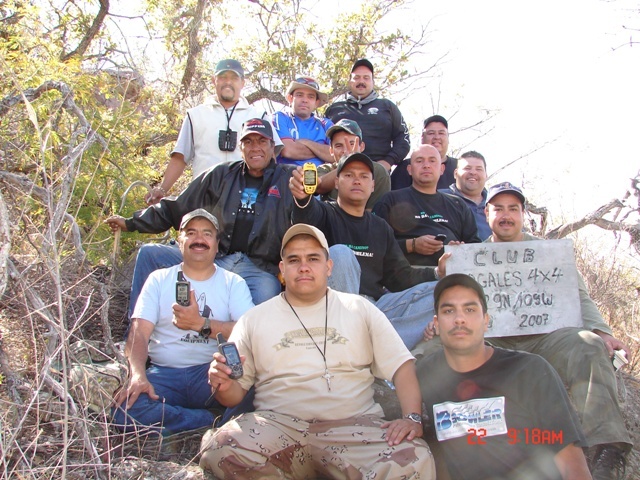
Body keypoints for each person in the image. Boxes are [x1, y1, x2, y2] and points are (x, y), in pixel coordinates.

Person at [421, 182, 632, 480]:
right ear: (487, 213)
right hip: (491, 342)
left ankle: (607, 447)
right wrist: (442, 274)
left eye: (513, 209)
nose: (506, 215)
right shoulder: (472, 256)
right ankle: (425, 434)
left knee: (587, 344)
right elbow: (454, 302)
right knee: (430, 352)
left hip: (547, 338)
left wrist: (602, 331)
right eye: (499, 209)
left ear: (523, 214)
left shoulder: (549, 252)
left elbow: (578, 295)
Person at [199, 224, 436, 479]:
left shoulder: (359, 309)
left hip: (354, 427)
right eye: (294, 260)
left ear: (329, 267)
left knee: (415, 459)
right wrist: (222, 384)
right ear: (281, 270)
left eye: (313, 258)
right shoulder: (253, 320)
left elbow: (402, 366)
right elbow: (234, 395)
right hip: (278, 428)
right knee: (221, 449)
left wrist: (411, 417)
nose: (303, 267)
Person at [105, 118, 294, 321]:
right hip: (214, 256)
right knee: (150, 254)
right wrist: (132, 222)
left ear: (273, 147)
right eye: (248, 142)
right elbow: (177, 207)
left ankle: (241, 350)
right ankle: (136, 334)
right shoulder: (221, 174)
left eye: (262, 141)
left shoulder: (289, 177)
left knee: (264, 302)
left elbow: (320, 184)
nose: (255, 147)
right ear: (240, 147)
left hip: (259, 267)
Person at [417, 274, 591, 480]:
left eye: (470, 309)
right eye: (448, 310)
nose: (459, 318)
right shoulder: (426, 373)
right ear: (436, 324)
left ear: (486, 321)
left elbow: (571, 461)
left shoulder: (530, 371)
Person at [111, 209, 254, 435]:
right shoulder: (158, 279)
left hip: (210, 374)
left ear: (217, 245)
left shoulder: (233, 283)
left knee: (256, 390)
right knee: (124, 411)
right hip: (165, 375)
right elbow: (139, 333)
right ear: (180, 242)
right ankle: (208, 420)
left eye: (207, 234)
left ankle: (175, 420)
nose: (199, 239)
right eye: (191, 233)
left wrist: (200, 324)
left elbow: (248, 332)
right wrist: (137, 375)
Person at [290, 152, 443, 350]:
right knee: (340, 254)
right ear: (336, 182)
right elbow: (305, 217)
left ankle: (367, 346)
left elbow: (401, 278)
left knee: (440, 290)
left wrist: (439, 272)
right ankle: (370, 345)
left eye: (364, 176)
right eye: (349, 175)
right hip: (331, 310)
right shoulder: (324, 213)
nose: (356, 180)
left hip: (374, 308)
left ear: (372, 186)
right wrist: (303, 199)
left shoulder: (381, 227)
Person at [145, 59, 282, 205]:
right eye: (223, 77)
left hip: (245, 199)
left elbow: (270, 157)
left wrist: (272, 197)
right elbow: (180, 157)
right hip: (203, 196)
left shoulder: (258, 116)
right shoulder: (195, 115)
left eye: (234, 78)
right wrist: (162, 189)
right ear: (214, 80)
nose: (228, 82)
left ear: (243, 83)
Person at [373, 144, 481, 267]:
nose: (426, 165)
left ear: (442, 169)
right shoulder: (390, 200)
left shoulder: (458, 204)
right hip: (407, 277)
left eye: (432, 161)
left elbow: (475, 248)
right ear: (409, 169)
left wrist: (460, 250)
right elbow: (376, 245)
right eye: (419, 161)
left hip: (452, 277)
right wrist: (411, 245)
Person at [325, 58, 410, 174]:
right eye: (357, 78)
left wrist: (387, 162)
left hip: (378, 173)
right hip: (340, 173)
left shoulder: (387, 106)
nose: (361, 81)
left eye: (366, 78)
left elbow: (403, 139)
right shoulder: (334, 109)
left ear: (373, 82)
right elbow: (323, 141)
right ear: (350, 82)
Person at [318, 118, 391, 210]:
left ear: (362, 147)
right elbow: (318, 186)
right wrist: (346, 165)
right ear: (331, 150)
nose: (345, 151)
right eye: (339, 146)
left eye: (352, 144)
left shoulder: (378, 171)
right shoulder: (325, 170)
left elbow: (376, 214)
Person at [272, 76, 334, 166]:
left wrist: (306, 142)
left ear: (316, 103)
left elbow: (338, 154)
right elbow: (288, 151)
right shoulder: (280, 118)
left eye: (310, 97)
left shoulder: (326, 124)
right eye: (299, 95)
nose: (305, 100)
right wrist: (322, 152)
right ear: (290, 98)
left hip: (321, 177)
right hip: (287, 175)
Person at [391, 114, 457, 191]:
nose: (436, 137)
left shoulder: (460, 168)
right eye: (431, 133)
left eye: (441, 133)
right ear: (422, 137)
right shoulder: (405, 167)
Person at [439, 150, 491, 240]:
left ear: (486, 175)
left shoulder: (495, 204)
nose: (473, 172)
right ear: (455, 174)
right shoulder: (439, 198)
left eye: (479, 169)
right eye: (467, 168)